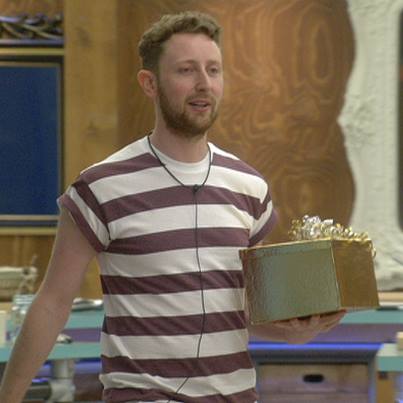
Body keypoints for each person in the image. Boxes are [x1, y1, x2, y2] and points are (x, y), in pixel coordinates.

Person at [0, 11, 345, 403]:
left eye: (213, 70)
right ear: (150, 84)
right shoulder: (100, 187)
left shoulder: (249, 187)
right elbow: (52, 304)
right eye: (186, 70)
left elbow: (240, 312)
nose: (204, 84)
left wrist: (297, 332)